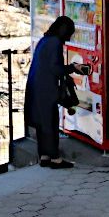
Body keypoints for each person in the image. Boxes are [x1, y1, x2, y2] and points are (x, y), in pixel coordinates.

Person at [25, 15, 89, 169]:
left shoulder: (45, 40)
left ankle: (44, 156)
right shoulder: (55, 43)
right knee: (51, 122)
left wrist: (71, 67)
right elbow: (56, 69)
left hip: (35, 85)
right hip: (46, 88)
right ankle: (55, 159)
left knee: (42, 123)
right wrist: (73, 68)